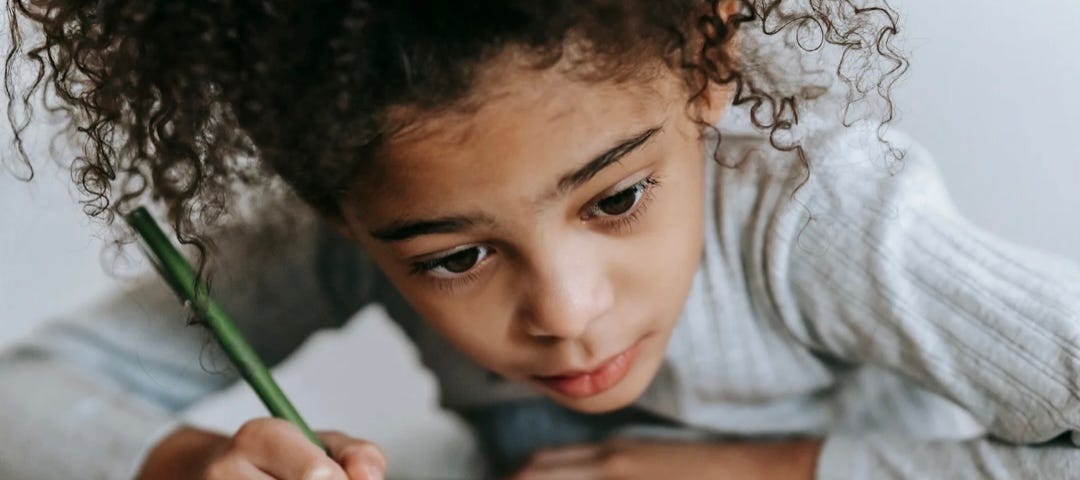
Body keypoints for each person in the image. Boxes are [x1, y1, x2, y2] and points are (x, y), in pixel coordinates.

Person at [3, 1, 1080, 479]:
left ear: (707, 56)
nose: (564, 314)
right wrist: (181, 465)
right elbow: (28, 394)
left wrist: (773, 471)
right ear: (333, 208)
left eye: (615, 200)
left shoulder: (812, 219)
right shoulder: (338, 238)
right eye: (454, 258)